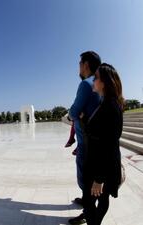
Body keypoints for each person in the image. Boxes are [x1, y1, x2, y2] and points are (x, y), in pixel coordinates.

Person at [82, 63, 124, 225]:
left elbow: (109, 143)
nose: (93, 80)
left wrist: (99, 179)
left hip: (100, 168)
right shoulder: (105, 103)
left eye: (96, 78)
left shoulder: (111, 106)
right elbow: (98, 129)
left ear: (105, 82)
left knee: (90, 202)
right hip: (99, 165)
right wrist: (85, 117)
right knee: (99, 199)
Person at [68, 51, 101, 225]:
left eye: (80, 64)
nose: (79, 67)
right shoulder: (101, 83)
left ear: (86, 64)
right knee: (90, 177)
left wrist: (74, 114)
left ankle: (88, 211)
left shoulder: (86, 84)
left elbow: (73, 112)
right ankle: (86, 200)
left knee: (84, 178)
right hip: (96, 140)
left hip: (86, 142)